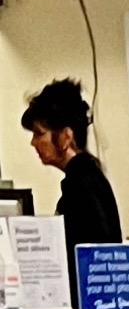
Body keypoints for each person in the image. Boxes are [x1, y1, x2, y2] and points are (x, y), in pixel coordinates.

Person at [21, 79, 122, 260]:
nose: (33, 142)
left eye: (39, 133)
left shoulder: (81, 184)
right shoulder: (88, 175)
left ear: (66, 136)